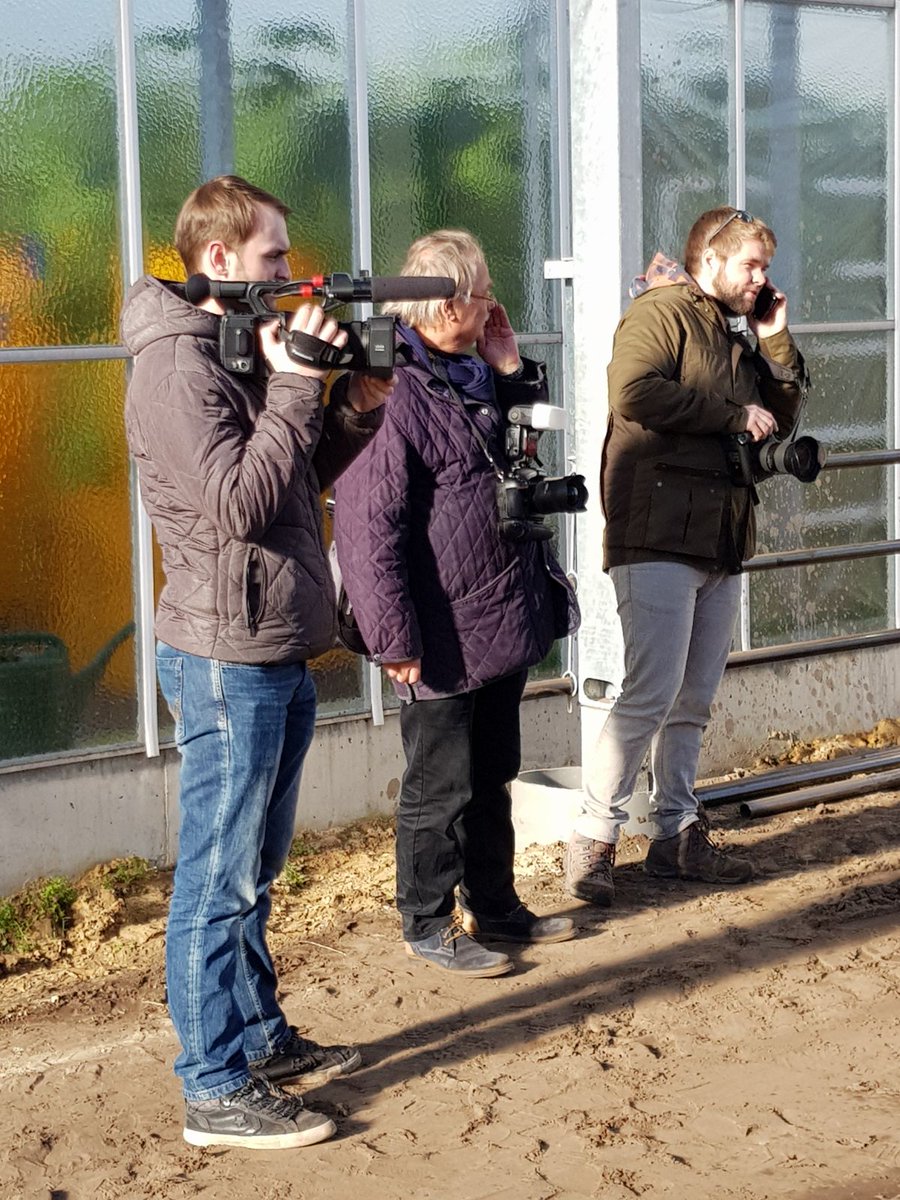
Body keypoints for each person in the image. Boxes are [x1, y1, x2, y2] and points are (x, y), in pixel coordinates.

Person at [122, 175, 388, 1150]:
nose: (288, 272)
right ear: (220, 257)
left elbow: (288, 489)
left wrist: (348, 405)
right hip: (225, 656)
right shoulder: (176, 370)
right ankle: (212, 1088)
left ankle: (259, 1040)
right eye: (274, 257)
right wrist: (294, 384)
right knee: (219, 875)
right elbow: (234, 506)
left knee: (255, 868)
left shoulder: (232, 348)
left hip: (271, 641)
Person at [333, 229, 581, 978]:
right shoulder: (395, 385)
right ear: (437, 305)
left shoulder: (473, 371)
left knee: (493, 769)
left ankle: (497, 906)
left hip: (498, 608)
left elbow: (516, 456)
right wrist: (392, 638)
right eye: (471, 296)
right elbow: (366, 526)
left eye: (471, 294)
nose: (476, 308)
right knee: (439, 781)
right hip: (437, 622)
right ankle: (427, 921)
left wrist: (510, 369)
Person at [564, 206, 807, 906]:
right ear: (710, 261)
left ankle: (675, 833)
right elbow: (632, 392)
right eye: (751, 265)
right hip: (658, 532)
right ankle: (594, 840)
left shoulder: (734, 331)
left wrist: (776, 339)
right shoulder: (663, 312)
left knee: (692, 699)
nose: (762, 277)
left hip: (720, 535)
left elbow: (783, 418)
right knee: (649, 693)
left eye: (765, 265)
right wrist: (731, 416)